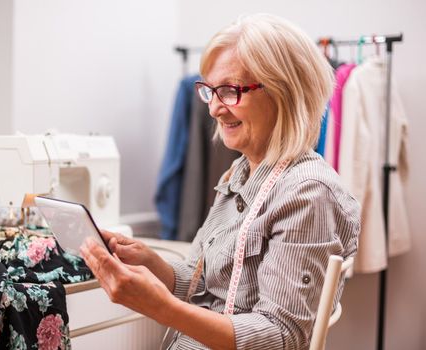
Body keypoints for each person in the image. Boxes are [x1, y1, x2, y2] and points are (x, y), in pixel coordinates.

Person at [80, 13, 360, 350]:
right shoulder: (240, 173)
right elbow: (204, 286)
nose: (213, 108)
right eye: (210, 91)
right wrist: (150, 261)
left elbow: (280, 336)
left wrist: (164, 309)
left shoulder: (308, 194)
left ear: (282, 92)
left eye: (229, 91)